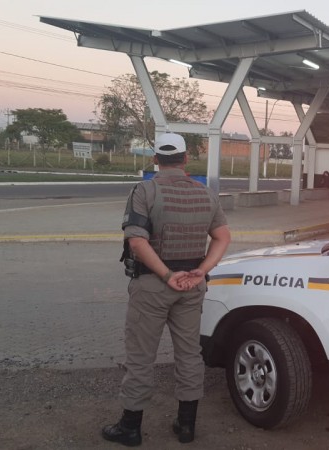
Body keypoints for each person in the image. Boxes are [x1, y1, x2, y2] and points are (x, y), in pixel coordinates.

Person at [102, 132, 231, 446]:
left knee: (141, 357)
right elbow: (223, 236)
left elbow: (137, 240)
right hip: (191, 286)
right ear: (186, 159)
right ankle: (187, 426)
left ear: (155, 159)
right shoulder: (206, 194)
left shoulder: (145, 191)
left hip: (152, 285)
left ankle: (130, 428)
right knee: (189, 355)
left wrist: (165, 274)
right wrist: (203, 270)